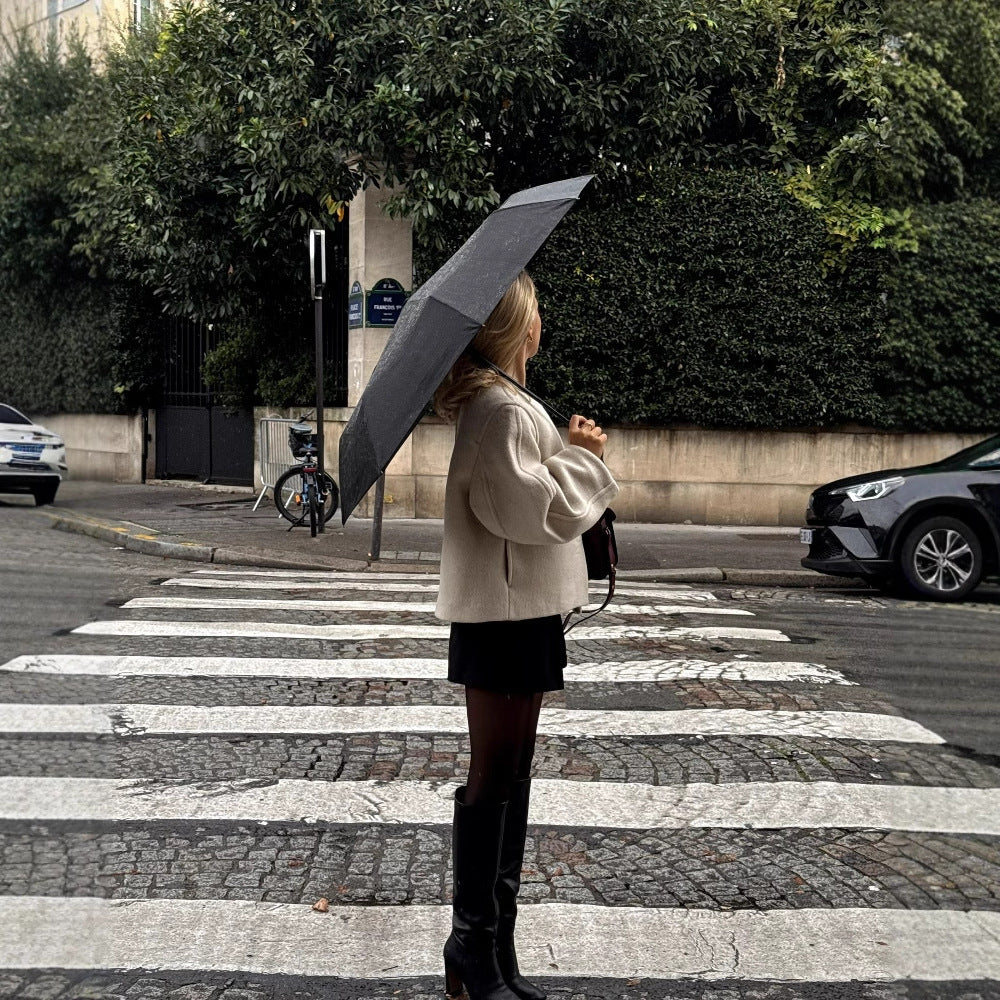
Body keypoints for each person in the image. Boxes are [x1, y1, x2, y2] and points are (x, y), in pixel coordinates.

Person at [433, 271, 619, 1000]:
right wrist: (583, 457)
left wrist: (568, 451)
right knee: (494, 776)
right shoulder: (501, 412)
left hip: (522, 608)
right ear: (519, 328)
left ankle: (493, 955)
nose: (543, 324)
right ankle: (471, 953)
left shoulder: (506, 404)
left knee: (510, 777)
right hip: (505, 613)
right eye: (535, 313)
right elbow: (530, 511)